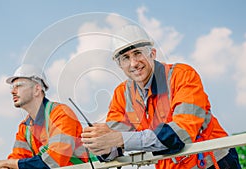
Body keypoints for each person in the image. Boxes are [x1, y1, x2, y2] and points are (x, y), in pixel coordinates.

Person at [81, 25, 241, 169]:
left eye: (137, 53)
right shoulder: (122, 94)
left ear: (152, 54)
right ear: (119, 65)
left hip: (214, 163)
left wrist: (119, 139)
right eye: (125, 58)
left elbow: (181, 134)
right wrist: (101, 145)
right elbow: (115, 143)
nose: (133, 63)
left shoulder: (182, 76)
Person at [0, 64, 90, 169]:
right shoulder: (25, 128)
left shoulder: (62, 114)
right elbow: (16, 160)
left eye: (18, 85)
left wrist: (7, 164)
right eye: (12, 87)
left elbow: (52, 162)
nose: (12, 91)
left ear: (37, 89)